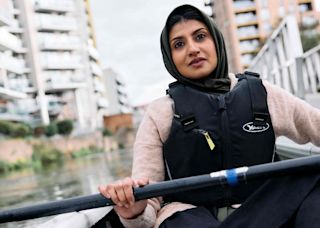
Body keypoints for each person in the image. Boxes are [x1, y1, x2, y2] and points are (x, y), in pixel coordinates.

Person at [98, 4, 320, 228]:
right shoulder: (159, 113)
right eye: (179, 44)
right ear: (170, 57)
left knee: (312, 175)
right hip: (191, 218)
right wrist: (133, 212)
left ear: (216, 41)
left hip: (262, 210)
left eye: (200, 36)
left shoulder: (264, 93)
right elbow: (148, 211)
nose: (192, 49)